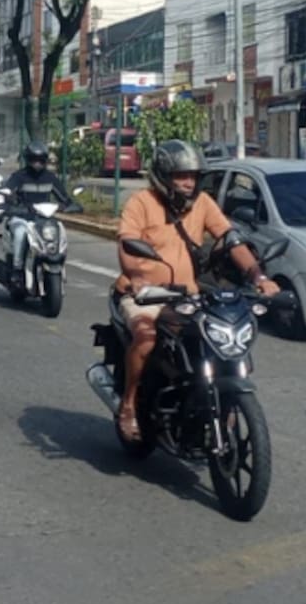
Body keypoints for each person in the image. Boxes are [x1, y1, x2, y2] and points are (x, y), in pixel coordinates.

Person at [114, 140, 280, 443]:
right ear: (164, 176)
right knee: (146, 336)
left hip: (188, 296)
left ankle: (220, 398)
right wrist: (137, 277)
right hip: (145, 294)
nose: (188, 183)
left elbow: (232, 241)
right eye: (181, 176)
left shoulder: (203, 203)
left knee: (219, 338)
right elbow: (127, 243)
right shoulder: (141, 202)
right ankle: (128, 404)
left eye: (192, 176)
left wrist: (258, 276)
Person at [1, 142, 78, 290]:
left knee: (58, 229)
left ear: (45, 160)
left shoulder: (50, 177)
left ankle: (59, 260)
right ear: (27, 159)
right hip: (22, 217)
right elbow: (8, 191)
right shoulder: (19, 176)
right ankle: (17, 270)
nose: (37, 163)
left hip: (43, 219)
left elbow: (63, 196)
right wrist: (11, 202)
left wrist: (69, 204)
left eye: (41, 160)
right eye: (33, 159)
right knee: (19, 233)